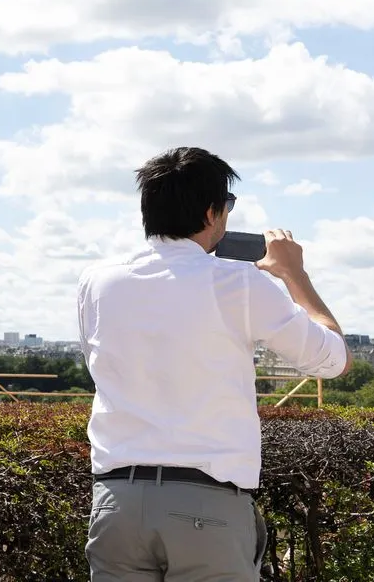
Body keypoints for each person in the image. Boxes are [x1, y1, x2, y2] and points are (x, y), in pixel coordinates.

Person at [77, 146, 351, 581]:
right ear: (211, 213)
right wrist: (294, 275)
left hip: (116, 500)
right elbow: (332, 360)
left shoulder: (96, 280)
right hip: (207, 504)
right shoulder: (239, 282)